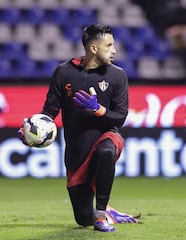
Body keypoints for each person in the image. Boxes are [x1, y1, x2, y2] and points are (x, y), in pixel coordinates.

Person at [18, 24, 138, 232]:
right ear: (93, 48)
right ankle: (107, 212)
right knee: (83, 218)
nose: (114, 50)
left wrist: (99, 110)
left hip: (107, 136)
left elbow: (119, 118)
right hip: (77, 152)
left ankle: (101, 213)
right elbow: (49, 111)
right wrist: (32, 129)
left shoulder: (117, 76)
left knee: (106, 150)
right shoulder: (64, 72)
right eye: (109, 45)